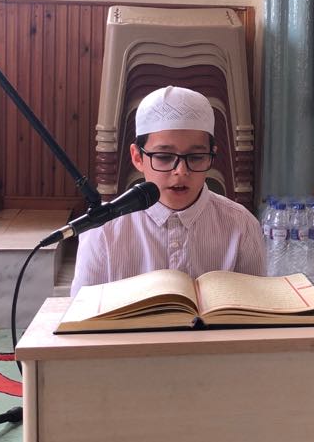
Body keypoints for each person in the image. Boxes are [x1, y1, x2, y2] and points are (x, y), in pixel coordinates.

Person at [70, 85, 266, 293]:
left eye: (196, 157)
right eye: (164, 157)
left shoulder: (242, 226)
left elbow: (256, 306)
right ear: (137, 157)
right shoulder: (104, 231)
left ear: (212, 156)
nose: (181, 171)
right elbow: (83, 310)